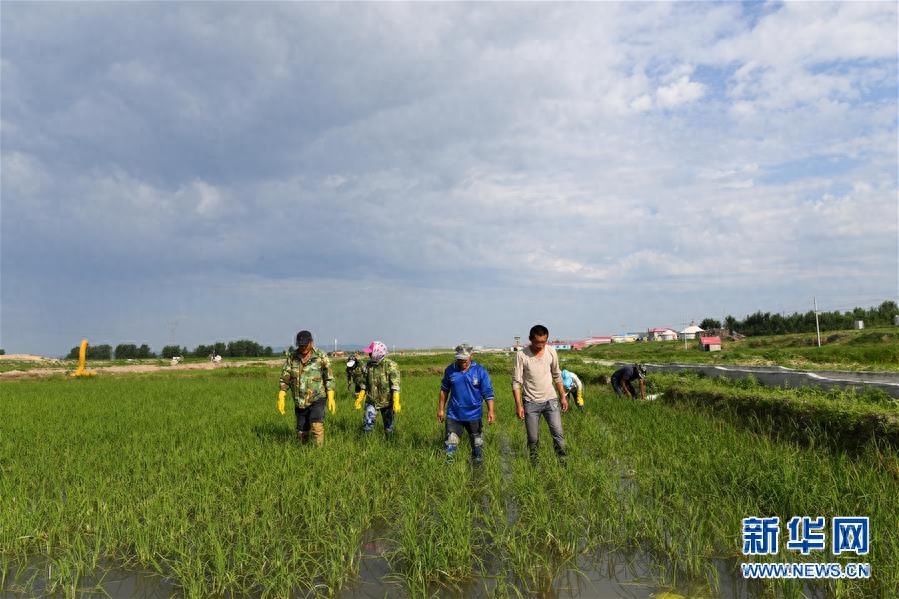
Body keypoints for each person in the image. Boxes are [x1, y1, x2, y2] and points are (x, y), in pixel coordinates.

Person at [512, 324, 569, 463]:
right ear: (530, 339)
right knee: (533, 438)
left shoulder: (551, 352)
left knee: (558, 434)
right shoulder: (521, 355)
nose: (541, 345)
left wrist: (563, 397)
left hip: (551, 400)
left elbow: (557, 375)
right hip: (530, 403)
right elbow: (516, 383)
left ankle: (562, 462)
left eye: (544, 341)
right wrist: (519, 406)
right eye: (537, 342)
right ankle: (534, 464)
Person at [437, 343, 496, 464]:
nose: (462, 361)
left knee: (477, 442)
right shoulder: (450, 370)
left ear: (471, 356)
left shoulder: (480, 371)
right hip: (454, 414)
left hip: (474, 414)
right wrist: (441, 409)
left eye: (464, 359)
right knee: (451, 441)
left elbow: (488, 392)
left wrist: (491, 411)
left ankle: (477, 466)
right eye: (459, 359)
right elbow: (444, 390)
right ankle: (449, 467)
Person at [277, 330, 336, 446]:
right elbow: (285, 378)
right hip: (300, 400)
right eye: (300, 345)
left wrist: (331, 396)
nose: (303, 347)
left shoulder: (320, 356)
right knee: (301, 432)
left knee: (316, 425)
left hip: (317, 398)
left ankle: (319, 452)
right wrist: (281, 395)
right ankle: (302, 451)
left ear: (311, 342)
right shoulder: (292, 357)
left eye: (305, 344)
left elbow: (329, 377)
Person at [354, 341, 401, 437]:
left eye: (371, 352)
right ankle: (366, 445)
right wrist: (359, 398)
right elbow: (364, 384)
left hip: (387, 402)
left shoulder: (390, 365)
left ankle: (390, 444)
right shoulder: (367, 366)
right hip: (371, 401)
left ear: (377, 352)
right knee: (367, 426)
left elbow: (395, 385)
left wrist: (396, 401)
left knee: (389, 428)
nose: (369, 354)